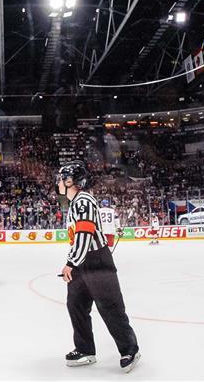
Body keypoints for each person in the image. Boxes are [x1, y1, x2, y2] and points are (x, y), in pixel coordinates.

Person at [57, 160, 140, 373]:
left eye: (60, 179)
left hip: (97, 261)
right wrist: (74, 261)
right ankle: (85, 349)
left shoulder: (83, 201)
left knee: (110, 307)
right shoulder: (75, 203)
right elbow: (78, 238)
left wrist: (70, 263)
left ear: (69, 181)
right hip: (82, 261)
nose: (57, 182)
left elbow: (85, 233)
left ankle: (130, 349)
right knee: (76, 305)